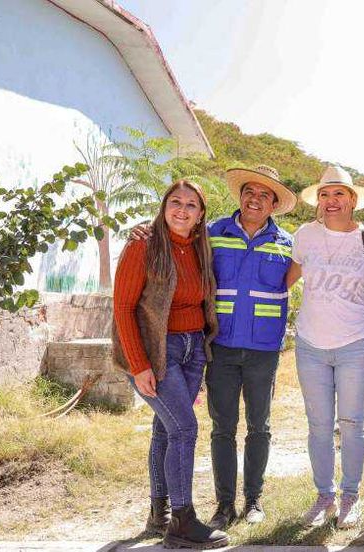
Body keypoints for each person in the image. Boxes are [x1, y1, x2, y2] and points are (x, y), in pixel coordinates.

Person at [128, 165, 300, 529]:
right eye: (249, 192)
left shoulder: (289, 244)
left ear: (274, 204)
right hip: (218, 346)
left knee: (259, 426)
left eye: (264, 195)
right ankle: (224, 505)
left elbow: (293, 280)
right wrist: (145, 229)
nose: (255, 200)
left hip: (264, 350)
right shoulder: (211, 234)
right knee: (222, 427)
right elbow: (174, 233)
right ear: (240, 196)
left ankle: (253, 500)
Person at [112, 180, 228, 549]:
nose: (182, 210)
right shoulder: (143, 245)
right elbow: (123, 309)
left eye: (191, 204)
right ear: (164, 207)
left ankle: (158, 513)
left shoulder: (200, 246)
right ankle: (182, 521)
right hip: (157, 352)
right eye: (175, 202)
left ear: (201, 214)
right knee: (184, 428)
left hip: (193, 349)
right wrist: (139, 364)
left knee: (166, 428)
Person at [288, 166, 364, 529]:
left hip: (355, 344)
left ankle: (350, 497)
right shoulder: (304, 235)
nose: (331, 201)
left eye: (339, 194)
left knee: (352, 423)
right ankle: (324, 496)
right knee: (318, 425)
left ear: (353, 200)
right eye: (325, 195)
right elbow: (283, 280)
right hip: (310, 344)